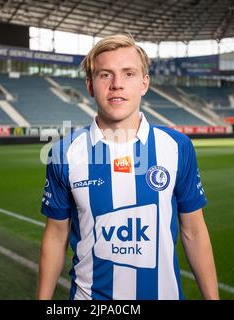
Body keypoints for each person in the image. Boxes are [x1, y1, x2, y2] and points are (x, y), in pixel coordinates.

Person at [37, 34, 219, 300]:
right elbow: (55, 236)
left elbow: (193, 230)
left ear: (145, 83)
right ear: (90, 85)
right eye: (105, 75)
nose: (117, 85)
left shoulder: (177, 147)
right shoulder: (64, 153)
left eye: (129, 74)